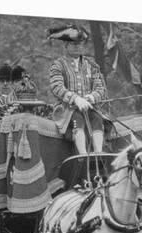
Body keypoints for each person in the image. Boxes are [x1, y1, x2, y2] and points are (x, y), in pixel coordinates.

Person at [47, 25, 107, 154]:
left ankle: (98, 153)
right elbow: (56, 87)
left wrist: (90, 98)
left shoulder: (92, 65)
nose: (77, 47)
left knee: (97, 118)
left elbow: (101, 89)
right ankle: (83, 154)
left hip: (89, 107)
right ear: (66, 46)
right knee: (77, 119)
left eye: (80, 44)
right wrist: (76, 99)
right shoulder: (58, 65)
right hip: (66, 110)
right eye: (74, 44)